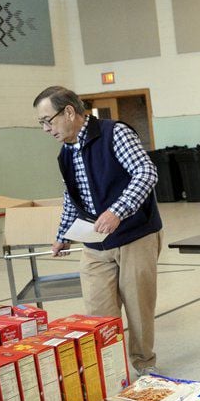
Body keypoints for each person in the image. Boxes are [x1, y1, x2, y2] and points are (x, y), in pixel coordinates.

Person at [33, 86, 163, 376]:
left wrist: (117, 211)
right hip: (95, 243)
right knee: (97, 312)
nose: (45, 129)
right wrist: (64, 234)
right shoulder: (65, 153)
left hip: (135, 235)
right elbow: (72, 196)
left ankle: (145, 367)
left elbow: (146, 172)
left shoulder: (114, 133)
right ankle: (110, 370)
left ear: (69, 112)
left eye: (47, 120)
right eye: (41, 123)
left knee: (139, 308)